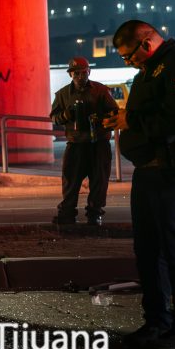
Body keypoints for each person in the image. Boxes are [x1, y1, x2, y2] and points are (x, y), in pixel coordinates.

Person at [103, 20, 175, 349]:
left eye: (127, 55)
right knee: (147, 250)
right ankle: (156, 320)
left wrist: (130, 120)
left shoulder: (172, 65)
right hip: (148, 172)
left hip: (169, 173)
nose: (127, 62)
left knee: (172, 250)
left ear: (145, 43)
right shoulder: (148, 71)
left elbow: (173, 118)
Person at [48, 56, 117, 226]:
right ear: (70, 74)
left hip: (99, 144)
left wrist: (100, 118)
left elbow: (114, 112)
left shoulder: (100, 91)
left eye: (83, 72)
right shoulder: (63, 94)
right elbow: (53, 117)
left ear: (89, 72)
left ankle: (95, 214)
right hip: (76, 144)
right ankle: (67, 214)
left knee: (99, 181)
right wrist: (65, 115)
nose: (80, 76)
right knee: (71, 181)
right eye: (76, 73)